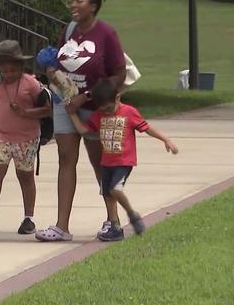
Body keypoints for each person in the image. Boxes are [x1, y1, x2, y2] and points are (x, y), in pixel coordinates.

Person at [36, 0, 128, 242]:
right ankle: (61, 226)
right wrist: (52, 71)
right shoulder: (68, 31)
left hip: (95, 108)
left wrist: (87, 95)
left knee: (101, 163)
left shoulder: (106, 34)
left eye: (79, 0)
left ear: (93, 5)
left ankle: (114, 222)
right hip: (66, 106)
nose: (72, 4)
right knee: (66, 160)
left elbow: (119, 75)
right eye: (72, 0)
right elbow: (59, 61)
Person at [69, 79, 179, 240]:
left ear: (118, 98)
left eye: (109, 108)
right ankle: (115, 228)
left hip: (124, 161)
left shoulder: (129, 112)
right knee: (107, 194)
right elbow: (83, 130)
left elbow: (146, 128)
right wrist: (71, 113)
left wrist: (165, 139)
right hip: (106, 162)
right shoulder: (98, 115)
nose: (106, 112)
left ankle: (132, 215)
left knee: (115, 189)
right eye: (102, 109)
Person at [0, 40, 51, 235]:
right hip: (2, 137)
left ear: (20, 66)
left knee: (25, 176)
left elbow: (47, 110)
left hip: (27, 138)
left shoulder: (31, 84)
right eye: (4, 70)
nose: (8, 74)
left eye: (12, 70)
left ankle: (28, 218)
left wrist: (25, 112)